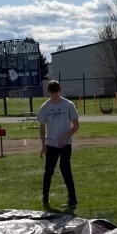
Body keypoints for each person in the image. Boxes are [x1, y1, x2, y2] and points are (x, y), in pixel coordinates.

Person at [37, 79, 80, 208]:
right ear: (49, 93)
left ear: (60, 91)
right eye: (52, 93)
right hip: (51, 144)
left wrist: (65, 137)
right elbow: (41, 127)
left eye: (57, 92)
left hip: (66, 145)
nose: (55, 96)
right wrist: (43, 145)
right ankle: (45, 197)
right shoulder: (45, 107)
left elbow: (76, 125)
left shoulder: (68, 105)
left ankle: (72, 199)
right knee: (48, 171)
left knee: (65, 169)